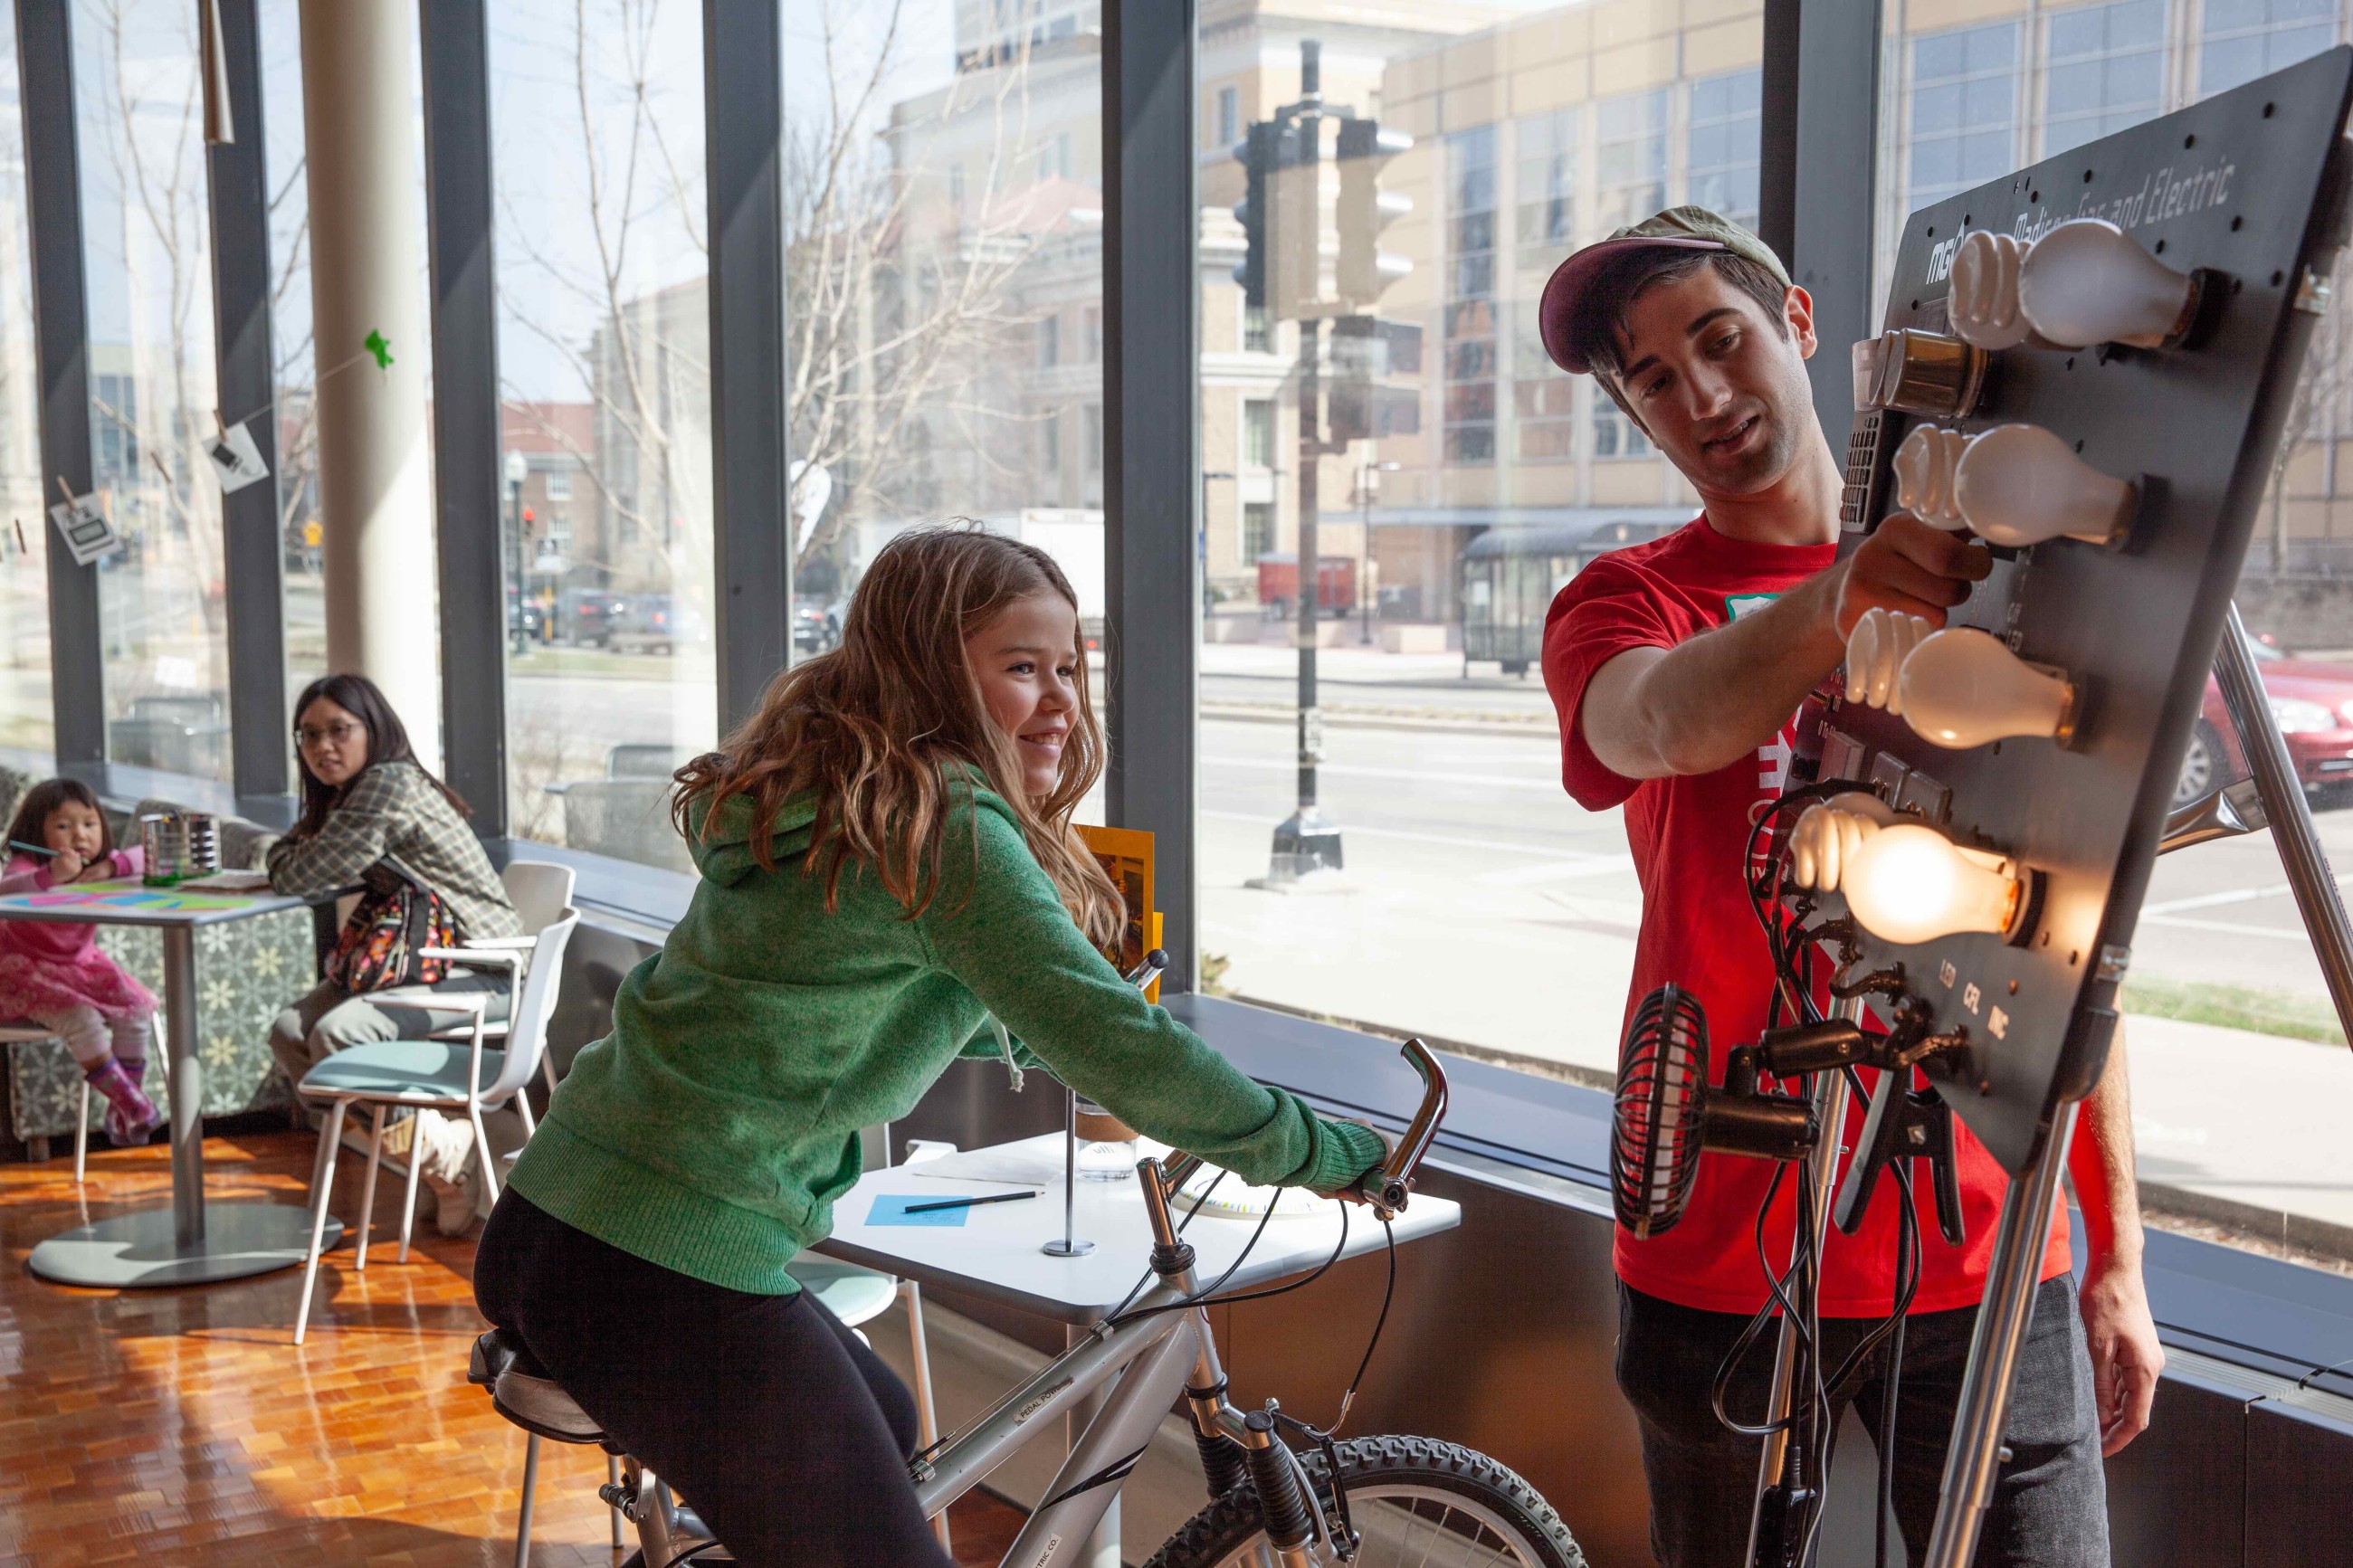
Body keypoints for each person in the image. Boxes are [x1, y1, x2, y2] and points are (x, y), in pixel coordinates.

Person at [474, 526, 1391, 1567]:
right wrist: (1312, 1147)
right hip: (657, 1262)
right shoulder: (942, 820)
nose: (1059, 700)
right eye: (1019, 667)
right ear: (927, 668)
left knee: (889, 1413)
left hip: (556, 1213)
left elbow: (890, 997)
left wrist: (1089, 1050)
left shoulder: (844, 791)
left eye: (1067, 669)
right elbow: (1110, 1035)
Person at [1536, 208, 2161, 1566]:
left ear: (1799, 325)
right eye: (1652, 378)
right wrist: (1839, 600)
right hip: (1720, 1238)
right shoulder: (1622, 601)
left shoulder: (2003, 575)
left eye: (1721, 339)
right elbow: (1651, 729)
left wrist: (2116, 1245)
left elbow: (2069, 923)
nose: (1700, 394)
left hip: (1990, 1241)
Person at [267, 672, 524, 1237]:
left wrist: (291, 850)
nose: (322, 747)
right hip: (416, 962)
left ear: (373, 730)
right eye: (308, 736)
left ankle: (444, 1161)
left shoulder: (389, 785)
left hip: (480, 971)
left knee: (337, 1034)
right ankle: (441, 1155)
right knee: (291, 1032)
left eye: (339, 730)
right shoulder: (350, 794)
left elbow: (299, 873)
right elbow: (301, 863)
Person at [0, 779, 162, 1145]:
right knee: (82, 1019)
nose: (79, 836)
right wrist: (49, 876)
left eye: (89, 825)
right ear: (35, 832)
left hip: (81, 965)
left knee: (136, 1009)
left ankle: (126, 1108)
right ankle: (132, 1104)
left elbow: (146, 855)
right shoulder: (30, 866)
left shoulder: (101, 866)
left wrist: (111, 867)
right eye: (63, 826)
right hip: (24, 968)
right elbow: (8, 887)